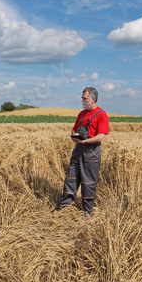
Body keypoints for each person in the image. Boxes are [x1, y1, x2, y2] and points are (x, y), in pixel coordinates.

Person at [59, 86, 109, 215]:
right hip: (78, 150)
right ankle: (64, 208)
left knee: (88, 182)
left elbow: (99, 138)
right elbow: (73, 129)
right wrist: (75, 136)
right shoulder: (81, 114)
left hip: (91, 153)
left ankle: (87, 211)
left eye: (85, 98)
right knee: (71, 178)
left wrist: (83, 141)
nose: (82, 100)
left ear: (92, 99)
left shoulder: (101, 114)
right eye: (82, 98)